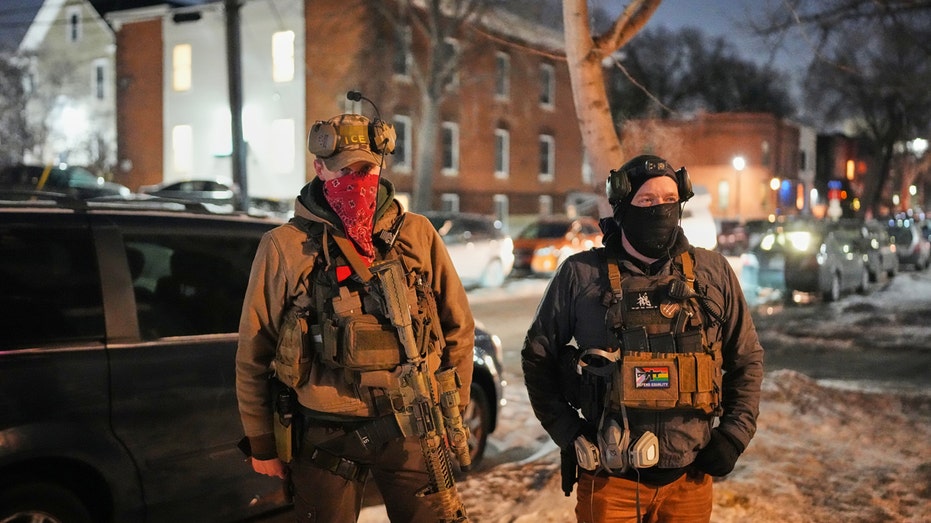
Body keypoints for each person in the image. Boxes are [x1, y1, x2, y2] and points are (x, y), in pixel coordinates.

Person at [236, 111, 475, 522]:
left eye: (366, 170)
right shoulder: (284, 246)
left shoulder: (417, 234)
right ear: (320, 169)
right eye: (345, 171)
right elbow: (254, 351)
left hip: (412, 423)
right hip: (325, 435)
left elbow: (458, 328)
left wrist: (454, 411)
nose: (357, 182)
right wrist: (262, 442)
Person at [522, 154, 763, 522]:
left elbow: (746, 359)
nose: (660, 209)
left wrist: (733, 435)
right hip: (609, 479)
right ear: (623, 207)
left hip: (689, 479)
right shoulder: (581, 275)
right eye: (647, 200)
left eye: (669, 199)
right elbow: (537, 356)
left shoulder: (712, 273)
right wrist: (568, 431)